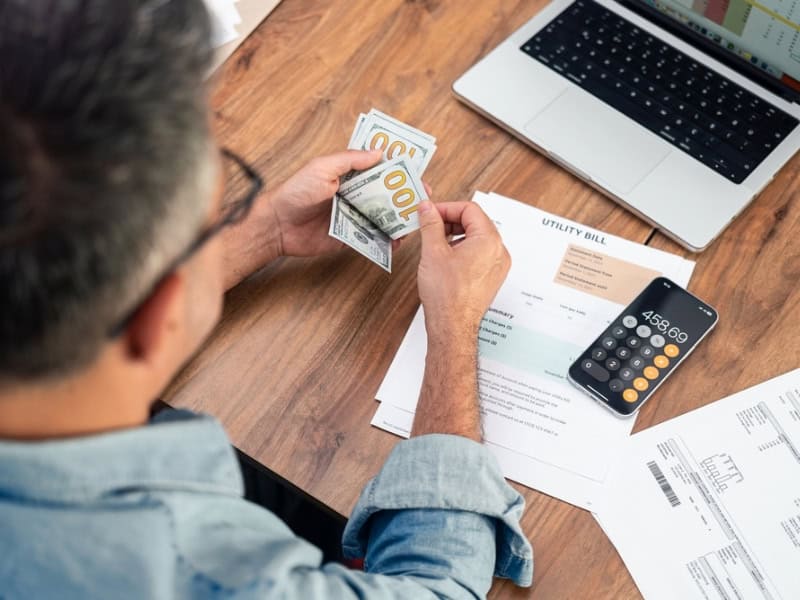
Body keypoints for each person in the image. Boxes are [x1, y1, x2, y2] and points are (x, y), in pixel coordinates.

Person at [0, 0, 533, 598]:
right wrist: (454, 328)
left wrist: (264, 231)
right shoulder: (191, 566)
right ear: (158, 313)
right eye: (214, 218)